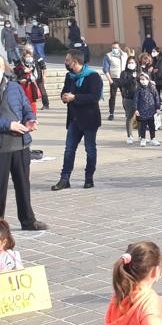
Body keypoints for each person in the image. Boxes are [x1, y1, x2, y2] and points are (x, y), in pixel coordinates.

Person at [0, 56, 46, 231]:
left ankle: (28, 220)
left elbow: (26, 106)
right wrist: (8, 124)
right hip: (2, 147)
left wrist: (30, 120)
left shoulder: (14, 87)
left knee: (23, 184)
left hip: (20, 145)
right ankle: (0, 225)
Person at [53, 50, 103, 191]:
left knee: (90, 149)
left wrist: (75, 97)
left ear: (74, 62)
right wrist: (64, 96)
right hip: (74, 120)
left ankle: (89, 178)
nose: (65, 62)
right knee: (69, 150)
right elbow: (64, 91)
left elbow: (94, 97)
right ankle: (64, 179)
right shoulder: (69, 76)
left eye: (67, 60)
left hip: (89, 119)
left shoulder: (93, 76)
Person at [133, 73, 161, 147]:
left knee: (152, 125)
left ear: (148, 80)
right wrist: (136, 109)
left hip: (151, 110)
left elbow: (157, 98)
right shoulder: (138, 89)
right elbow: (135, 99)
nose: (142, 81)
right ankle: (143, 139)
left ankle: (153, 138)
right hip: (142, 110)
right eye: (141, 79)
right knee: (143, 126)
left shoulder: (152, 88)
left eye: (144, 79)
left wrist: (158, 108)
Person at [13, 50, 42, 115]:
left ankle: (33, 117)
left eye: (30, 56)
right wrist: (19, 80)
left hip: (30, 85)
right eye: (26, 56)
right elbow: (15, 75)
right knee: (21, 101)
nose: (28, 58)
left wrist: (28, 78)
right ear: (23, 57)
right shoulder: (19, 65)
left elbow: (37, 76)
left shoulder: (34, 65)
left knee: (32, 102)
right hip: (21, 85)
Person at [117, 57, 139, 143]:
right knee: (129, 117)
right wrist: (131, 78)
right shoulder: (124, 73)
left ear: (136, 64)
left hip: (139, 98)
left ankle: (141, 136)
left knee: (140, 118)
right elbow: (122, 83)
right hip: (128, 97)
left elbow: (144, 81)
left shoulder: (139, 72)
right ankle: (130, 136)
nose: (131, 64)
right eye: (129, 62)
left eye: (132, 62)